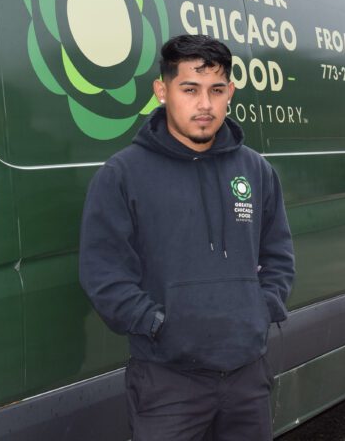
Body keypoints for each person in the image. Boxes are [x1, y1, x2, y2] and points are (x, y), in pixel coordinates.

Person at [79, 34, 295, 440]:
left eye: (216, 90)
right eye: (190, 89)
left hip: (247, 378)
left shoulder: (256, 171)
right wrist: (157, 324)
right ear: (162, 91)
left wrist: (259, 310)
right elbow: (103, 274)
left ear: (230, 92)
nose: (205, 105)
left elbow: (278, 253)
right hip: (167, 383)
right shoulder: (123, 175)